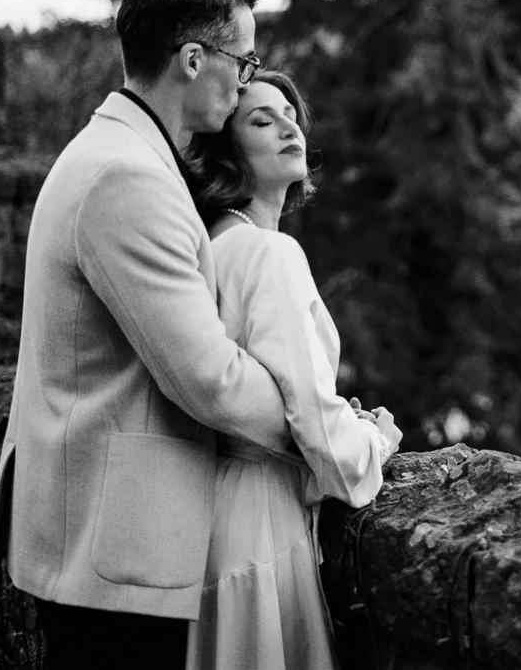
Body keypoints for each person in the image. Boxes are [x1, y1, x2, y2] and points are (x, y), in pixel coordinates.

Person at [0, 0, 297, 670]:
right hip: (115, 549)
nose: (245, 79)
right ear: (193, 58)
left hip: (96, 535)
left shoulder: (113, 153)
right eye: (242, 63)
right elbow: (207, 378)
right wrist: (317, 425)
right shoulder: (128, 177)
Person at [182, 70, 401, 670]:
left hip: (211, 515)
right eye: (261, 120)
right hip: (259, 523)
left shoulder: (216, 243)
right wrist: (374, 442)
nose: (289, 127)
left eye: (290, 114)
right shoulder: (268, 251)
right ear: (227, 152)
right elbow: (311, 417)